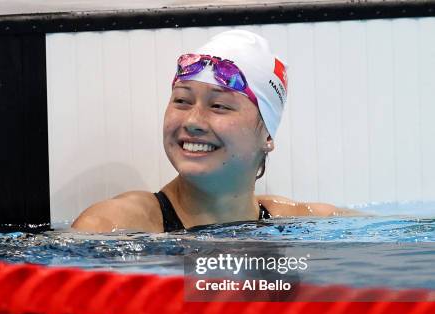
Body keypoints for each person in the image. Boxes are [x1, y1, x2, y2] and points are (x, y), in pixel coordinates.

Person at [72, 30, 359, 233]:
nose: (193, 120)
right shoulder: (112, 225)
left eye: (219, 106)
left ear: (268, 135)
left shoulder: (308, 223)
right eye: (182, 100)